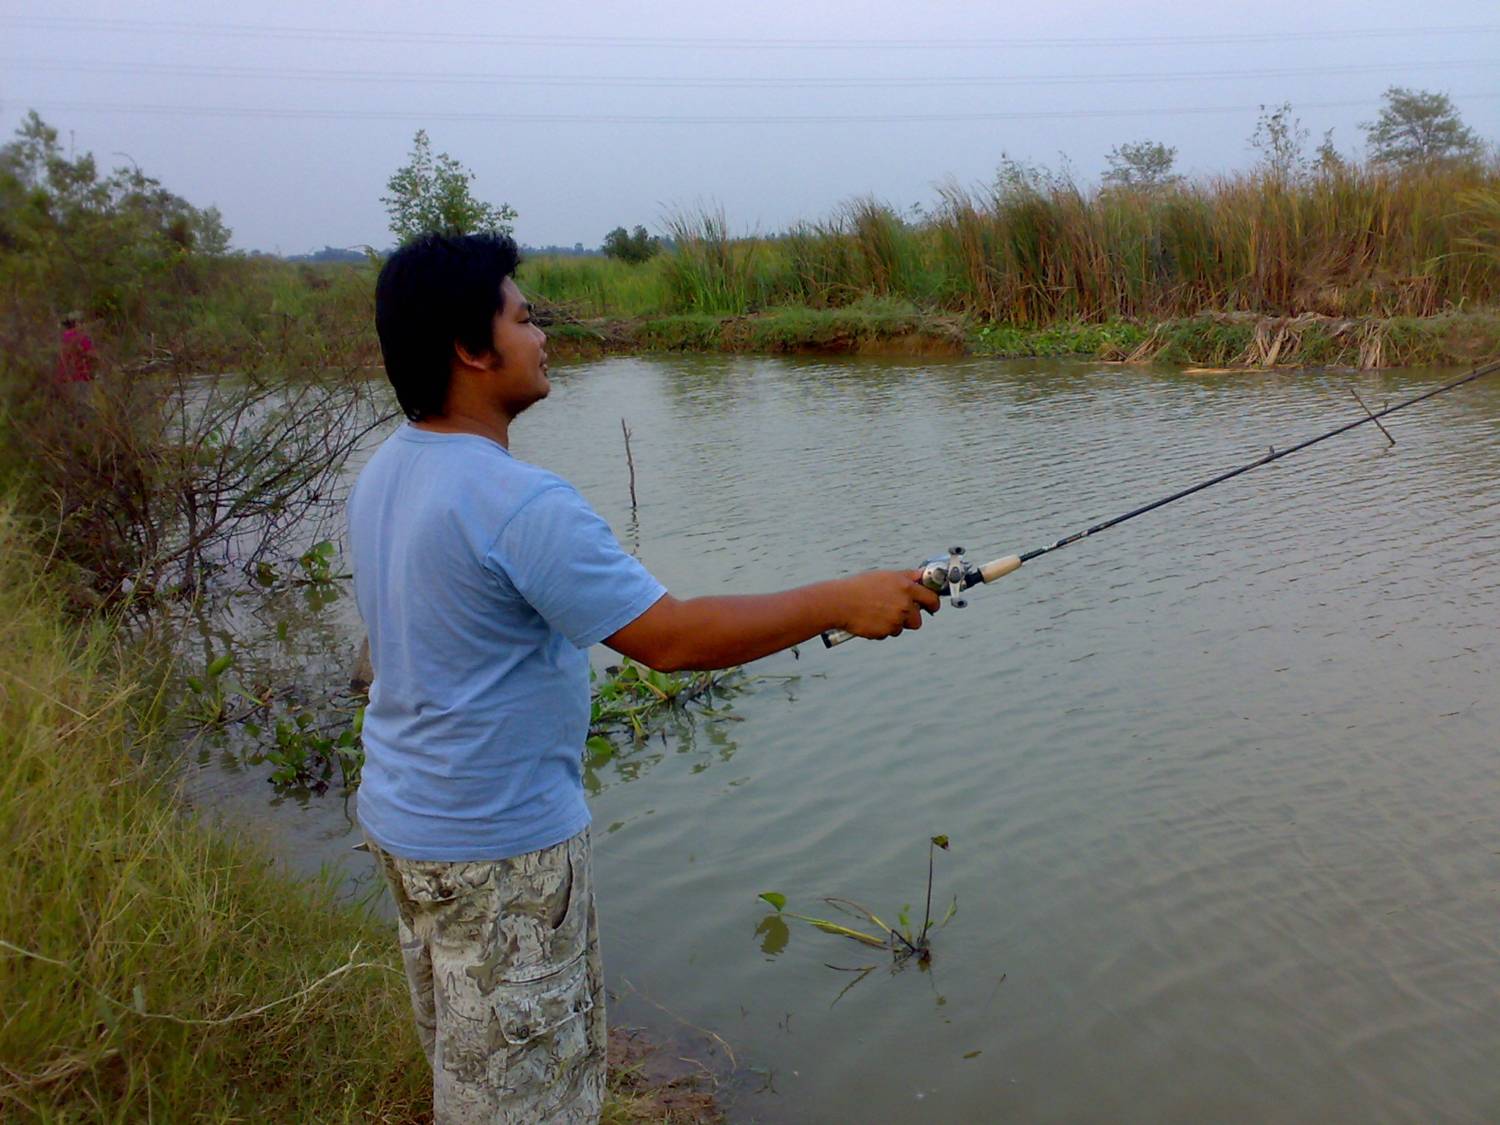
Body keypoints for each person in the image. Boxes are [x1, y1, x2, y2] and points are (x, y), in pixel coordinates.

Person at [348, 230, 939, 1123]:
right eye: (523, 316)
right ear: (472, 349)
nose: (543, 334)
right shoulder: (520, 504)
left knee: (472, 1075)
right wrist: (840, 599)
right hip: (500, 852)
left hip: (405, 828)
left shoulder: (387, 471)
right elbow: (669, 638)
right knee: (531, 1101)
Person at [56, 313, 95, 385]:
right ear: (77, 323)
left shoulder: (63, 337)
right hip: (81, 377)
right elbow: (92, 354)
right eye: (82, 322)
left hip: (65, 378)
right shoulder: (82, 338)